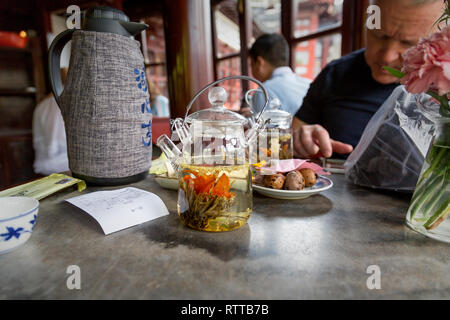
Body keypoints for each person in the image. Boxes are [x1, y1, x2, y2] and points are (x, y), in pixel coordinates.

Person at [293, 0, 444, 159]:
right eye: (379, 35)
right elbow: (291, 136)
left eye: (408, 44)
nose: (387, 57)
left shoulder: (443, 90)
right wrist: (301, 140)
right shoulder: (336, 74)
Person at [244, 33, 311, 116]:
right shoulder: (309, 84)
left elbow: (260, 127)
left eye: (251, 64)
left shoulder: (263, 92)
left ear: (259, 62)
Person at [32, 68, 69, 175]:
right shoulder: (62, 102)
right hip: (60, 165)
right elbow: (58, 142)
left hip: (43, 163)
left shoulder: (41, 105)